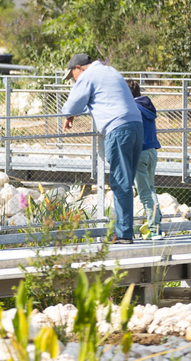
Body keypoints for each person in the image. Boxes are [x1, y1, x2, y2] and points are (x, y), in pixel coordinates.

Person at [60, 53, 143, 244]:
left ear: (78, 68)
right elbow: (100, 102)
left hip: (118, 129)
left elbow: (73, 102)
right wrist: (74, 113)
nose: (73, 80)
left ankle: (124, 234)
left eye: (72, 75)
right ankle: (125, 231)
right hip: (136, 127)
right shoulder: (110, 71)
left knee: (119, 182)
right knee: (126, 182)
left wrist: (68, 114)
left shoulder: (88, 76)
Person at [127, 79, 162, 238]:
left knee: (144, 193)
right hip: (152, 151)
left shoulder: (132, 108)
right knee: (151, 189)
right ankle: (156, 225)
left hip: (139, 153)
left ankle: (154, 229)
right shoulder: (147, 105)